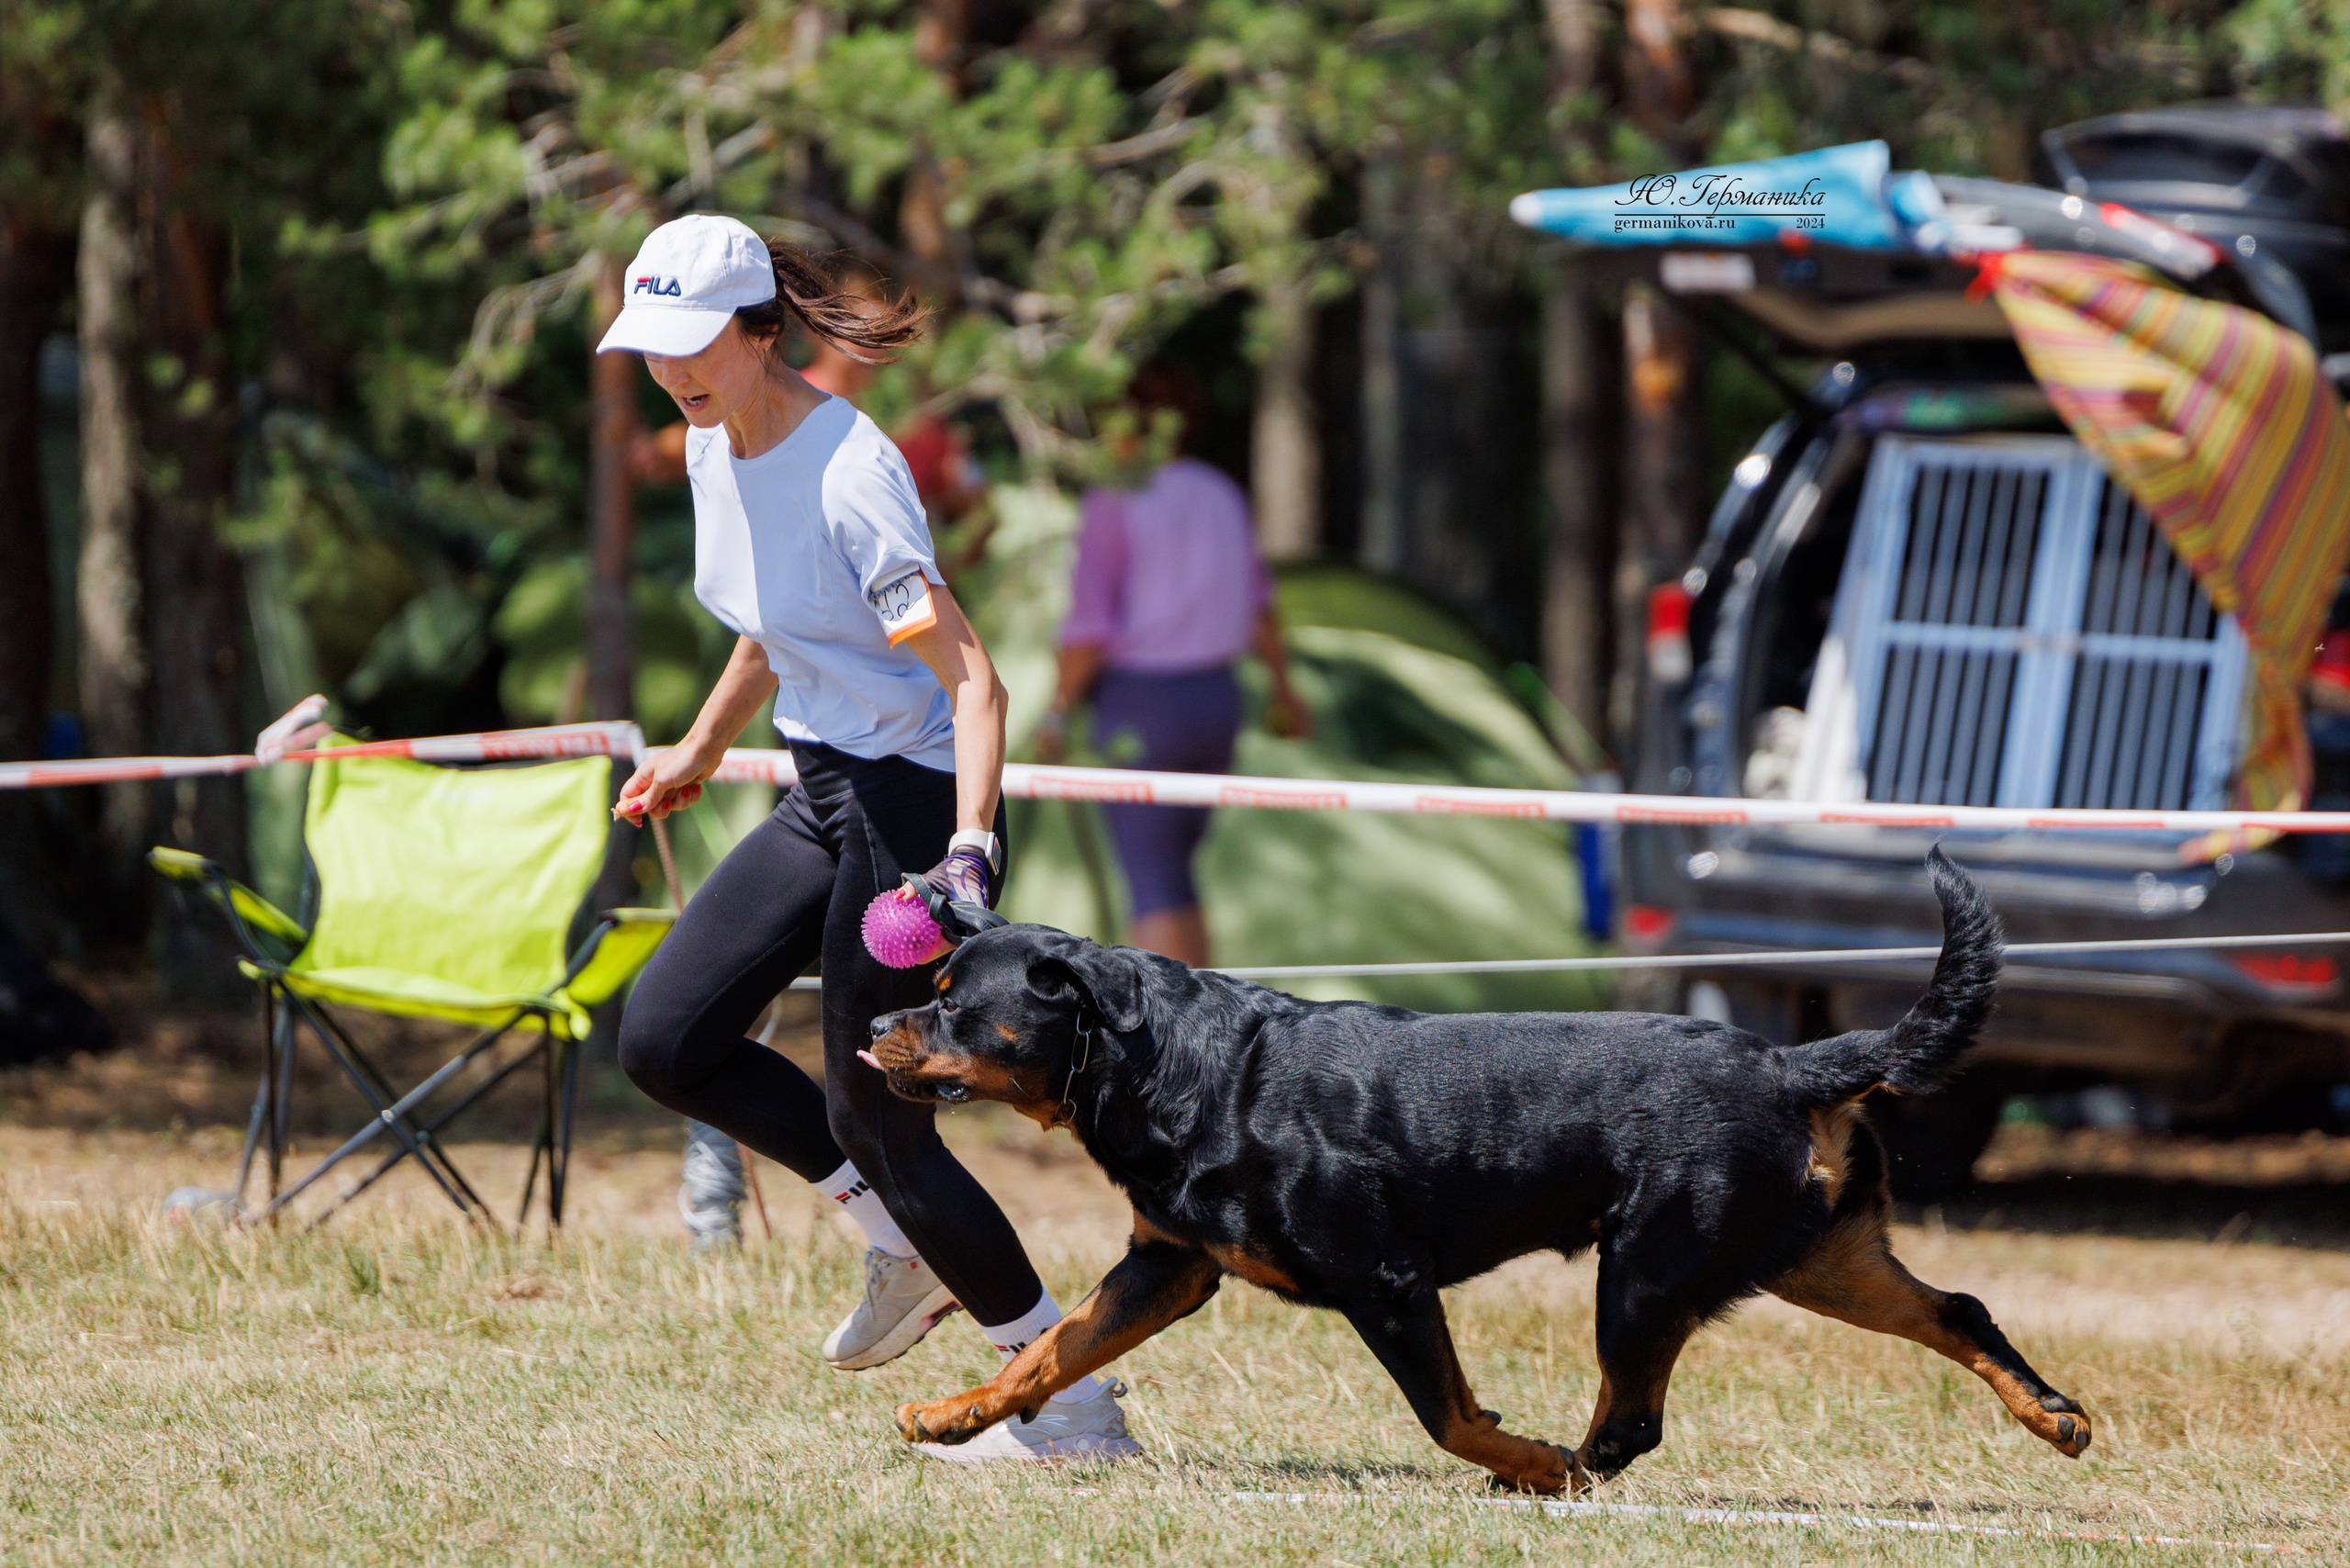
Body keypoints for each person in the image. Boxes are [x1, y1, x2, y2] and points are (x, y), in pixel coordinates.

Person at [602, 213, 1137, 1462]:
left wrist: (967, 853)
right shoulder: (705, 444)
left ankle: (1069, 1400)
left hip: (917, 801)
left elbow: (976, 682)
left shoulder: (851, 470)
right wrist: (694, 747)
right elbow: (770, 624)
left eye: (693, 344)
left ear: (760, 331)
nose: (670, 369)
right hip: (825, 780)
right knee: (667, 1038)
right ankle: (896, 1247)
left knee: (879, 1115)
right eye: (652, 345)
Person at [1042, 367, 1309, 966]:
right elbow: (1260, 607)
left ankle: (1165, 1048)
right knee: (1176, 879)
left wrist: (1057, 710)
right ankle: (1204, 1034)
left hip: (1143, 703)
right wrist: (1287, 692)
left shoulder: (1116, 497)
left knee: (1154, 883)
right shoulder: (1221, 492)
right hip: (1218, 701)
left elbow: (1090, 625)